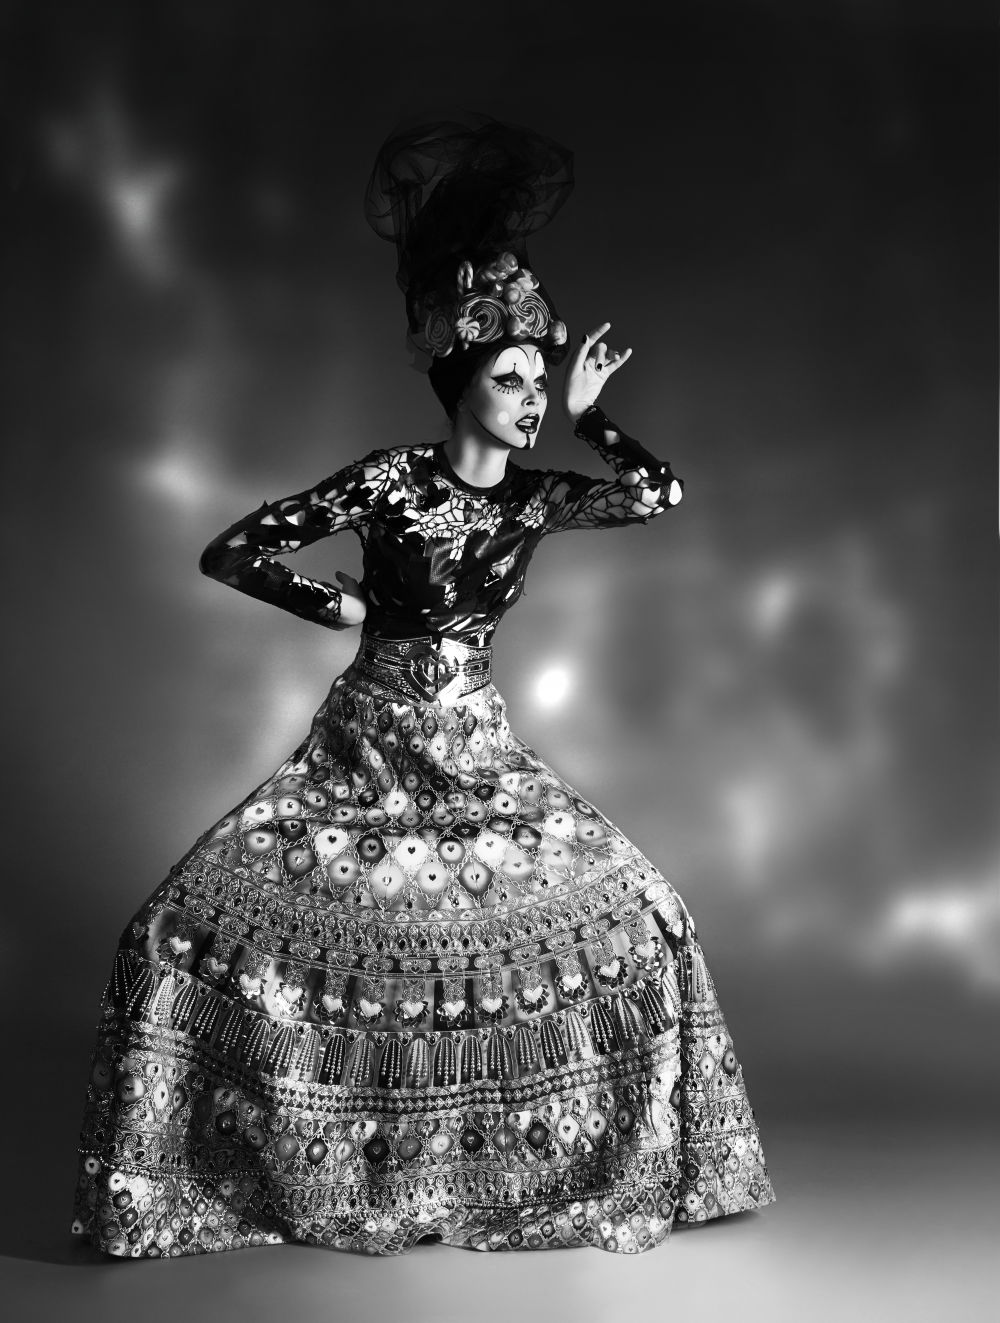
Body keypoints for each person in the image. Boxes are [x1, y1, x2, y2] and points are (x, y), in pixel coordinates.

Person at [72, 115, 774, 1258]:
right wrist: (335, 608)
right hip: (364, 750)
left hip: (480, 750)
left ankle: (540, 1160)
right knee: (172, 930)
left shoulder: (537, 496)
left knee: (649, 918)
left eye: (540, 381)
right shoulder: (391, 481)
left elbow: (659, 495)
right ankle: (223, 1165)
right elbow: (232, 552)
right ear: (460, 382)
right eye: (512, 379)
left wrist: (593, 419)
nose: (532, 398)